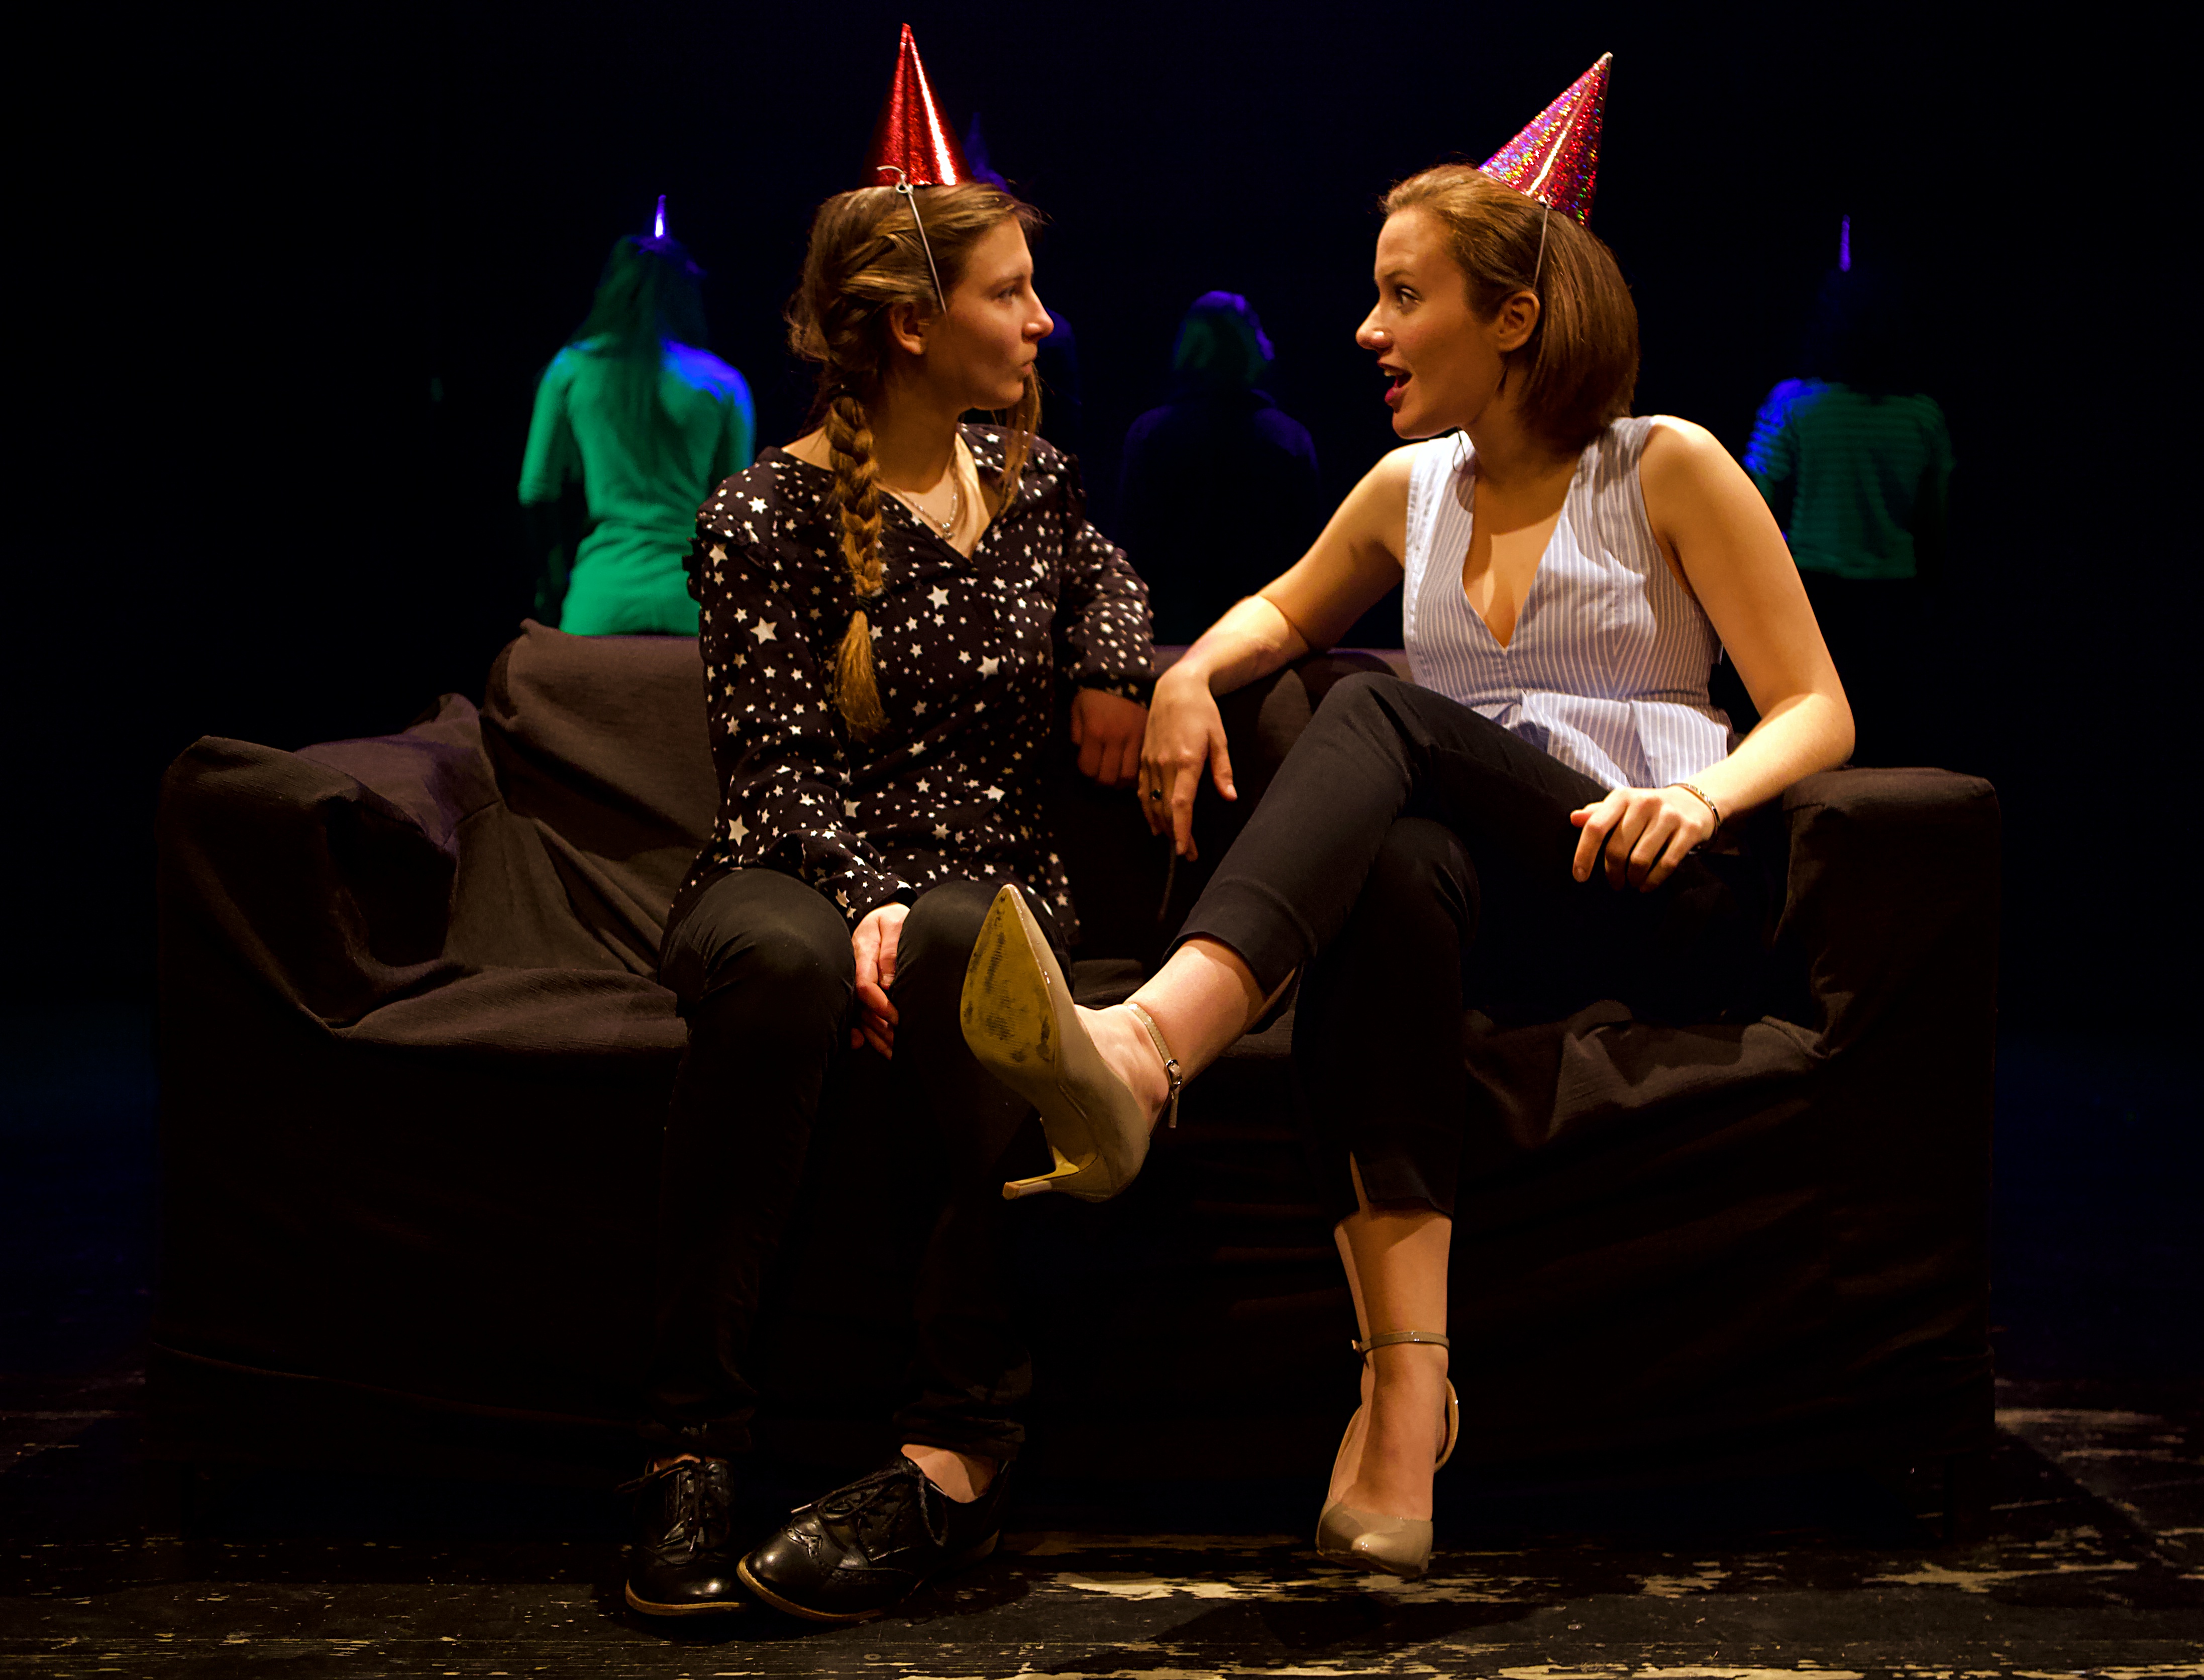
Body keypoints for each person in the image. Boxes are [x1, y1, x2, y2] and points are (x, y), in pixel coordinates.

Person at [959, 56, 1852, 1580]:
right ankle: (1401, 1394)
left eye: (1401, 297)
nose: (1366, 331)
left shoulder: (1667, 464)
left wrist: (1699, 794)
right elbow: (1278, 609)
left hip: (1643, 874)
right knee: (1386, 868)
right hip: (1489, 900)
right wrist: (1190, 676)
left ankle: (1151, 1044)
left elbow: (1817, 705)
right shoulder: (1407, 489)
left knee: (1370, 710)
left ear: (1513, 318)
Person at [625, 27, 1152, 1626]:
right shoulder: (762, 511)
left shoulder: (1037, 485)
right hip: (790, 862)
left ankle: (959, 1444)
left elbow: (1112, 575)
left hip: (983, 877)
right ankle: (688, 1444)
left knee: (964, 944)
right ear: (914, 323)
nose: (1042, 321)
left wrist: (1121, 661)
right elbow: (773, 757)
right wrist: (862, 893)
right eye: (1012, 293)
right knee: (781, 966)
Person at [1744, 261, 1952, 763]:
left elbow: (1754, 510)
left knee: (1808, 735)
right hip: (1895, 593)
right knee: (1886, 736)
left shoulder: (1792, 405)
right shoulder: (1923, 415)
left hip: (1811, 593)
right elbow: (1934, 523)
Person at [518, 205, 754, 635]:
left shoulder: (572, 368)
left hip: (599, 599)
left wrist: (551, 588)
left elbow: (535, 489)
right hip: (688, 601)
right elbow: (735, 507)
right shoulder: (722, 382)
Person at [1119, 291, 1323, 643]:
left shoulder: (1149, 434)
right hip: (1262, 635)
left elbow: (1131, 545)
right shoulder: (1288, 439)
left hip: (1167, 634)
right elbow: (1309, 554)